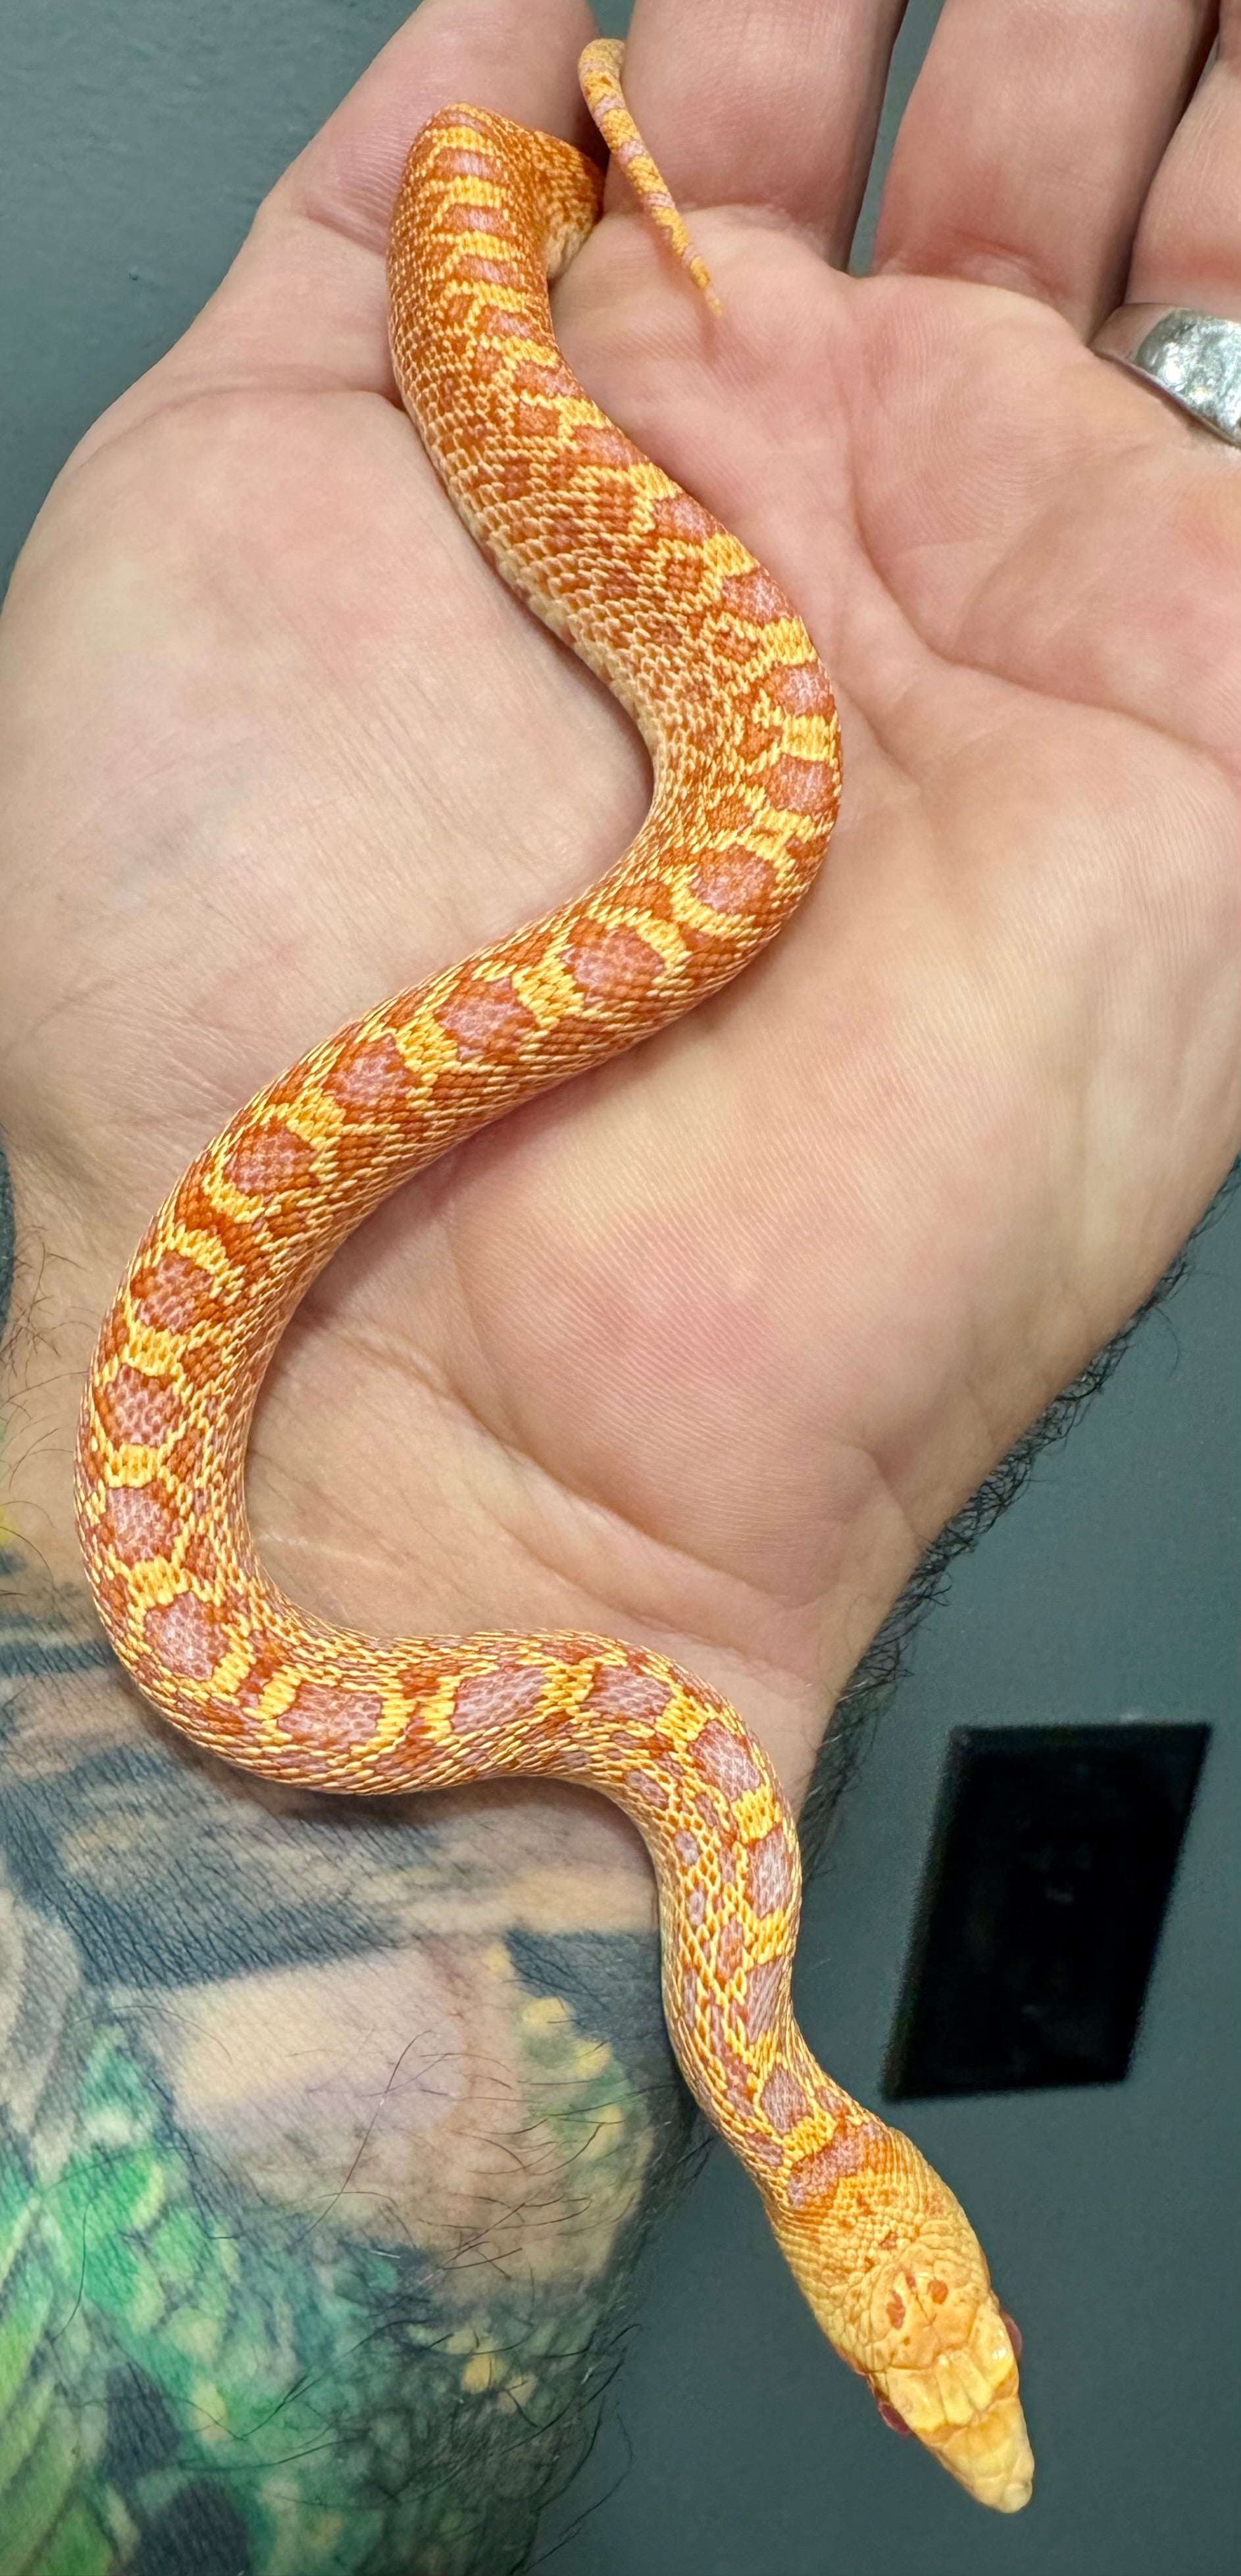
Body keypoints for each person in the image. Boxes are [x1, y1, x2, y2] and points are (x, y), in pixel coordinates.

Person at [0, 0, 1236, 2566]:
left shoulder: (654, 1802)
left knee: (732, 728)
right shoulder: (671, 1818)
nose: (970, 2423)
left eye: (941, 2381)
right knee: (515, 240)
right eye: (948, 2375)